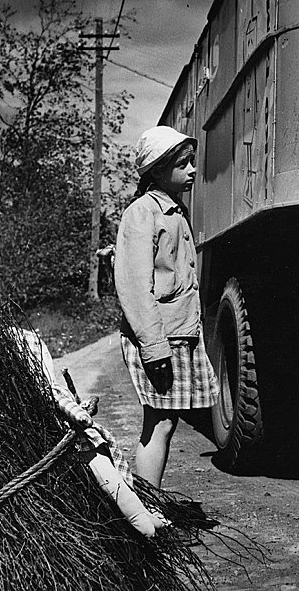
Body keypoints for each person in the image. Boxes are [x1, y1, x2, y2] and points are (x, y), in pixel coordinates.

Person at [114, 126, 219, 489]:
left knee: (165, 420)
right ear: (157, 170)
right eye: (183, 164)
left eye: (192, 162)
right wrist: (154, 346)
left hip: (176, 335)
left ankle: (148, 503)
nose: (192, 170)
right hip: (158, 337)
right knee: (159, 421)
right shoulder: (142, 214)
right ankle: (146, 507)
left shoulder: (175, 212)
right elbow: (133, 288)